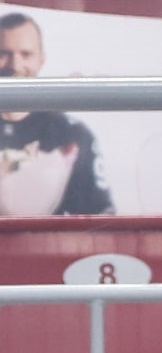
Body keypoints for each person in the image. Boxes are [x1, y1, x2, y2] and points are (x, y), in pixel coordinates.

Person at [0, 12, 114, 216]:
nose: (15, 66)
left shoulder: (71, 135)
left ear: (41, 60)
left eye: (26, 54)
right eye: (3, 53)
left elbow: (100, 216)